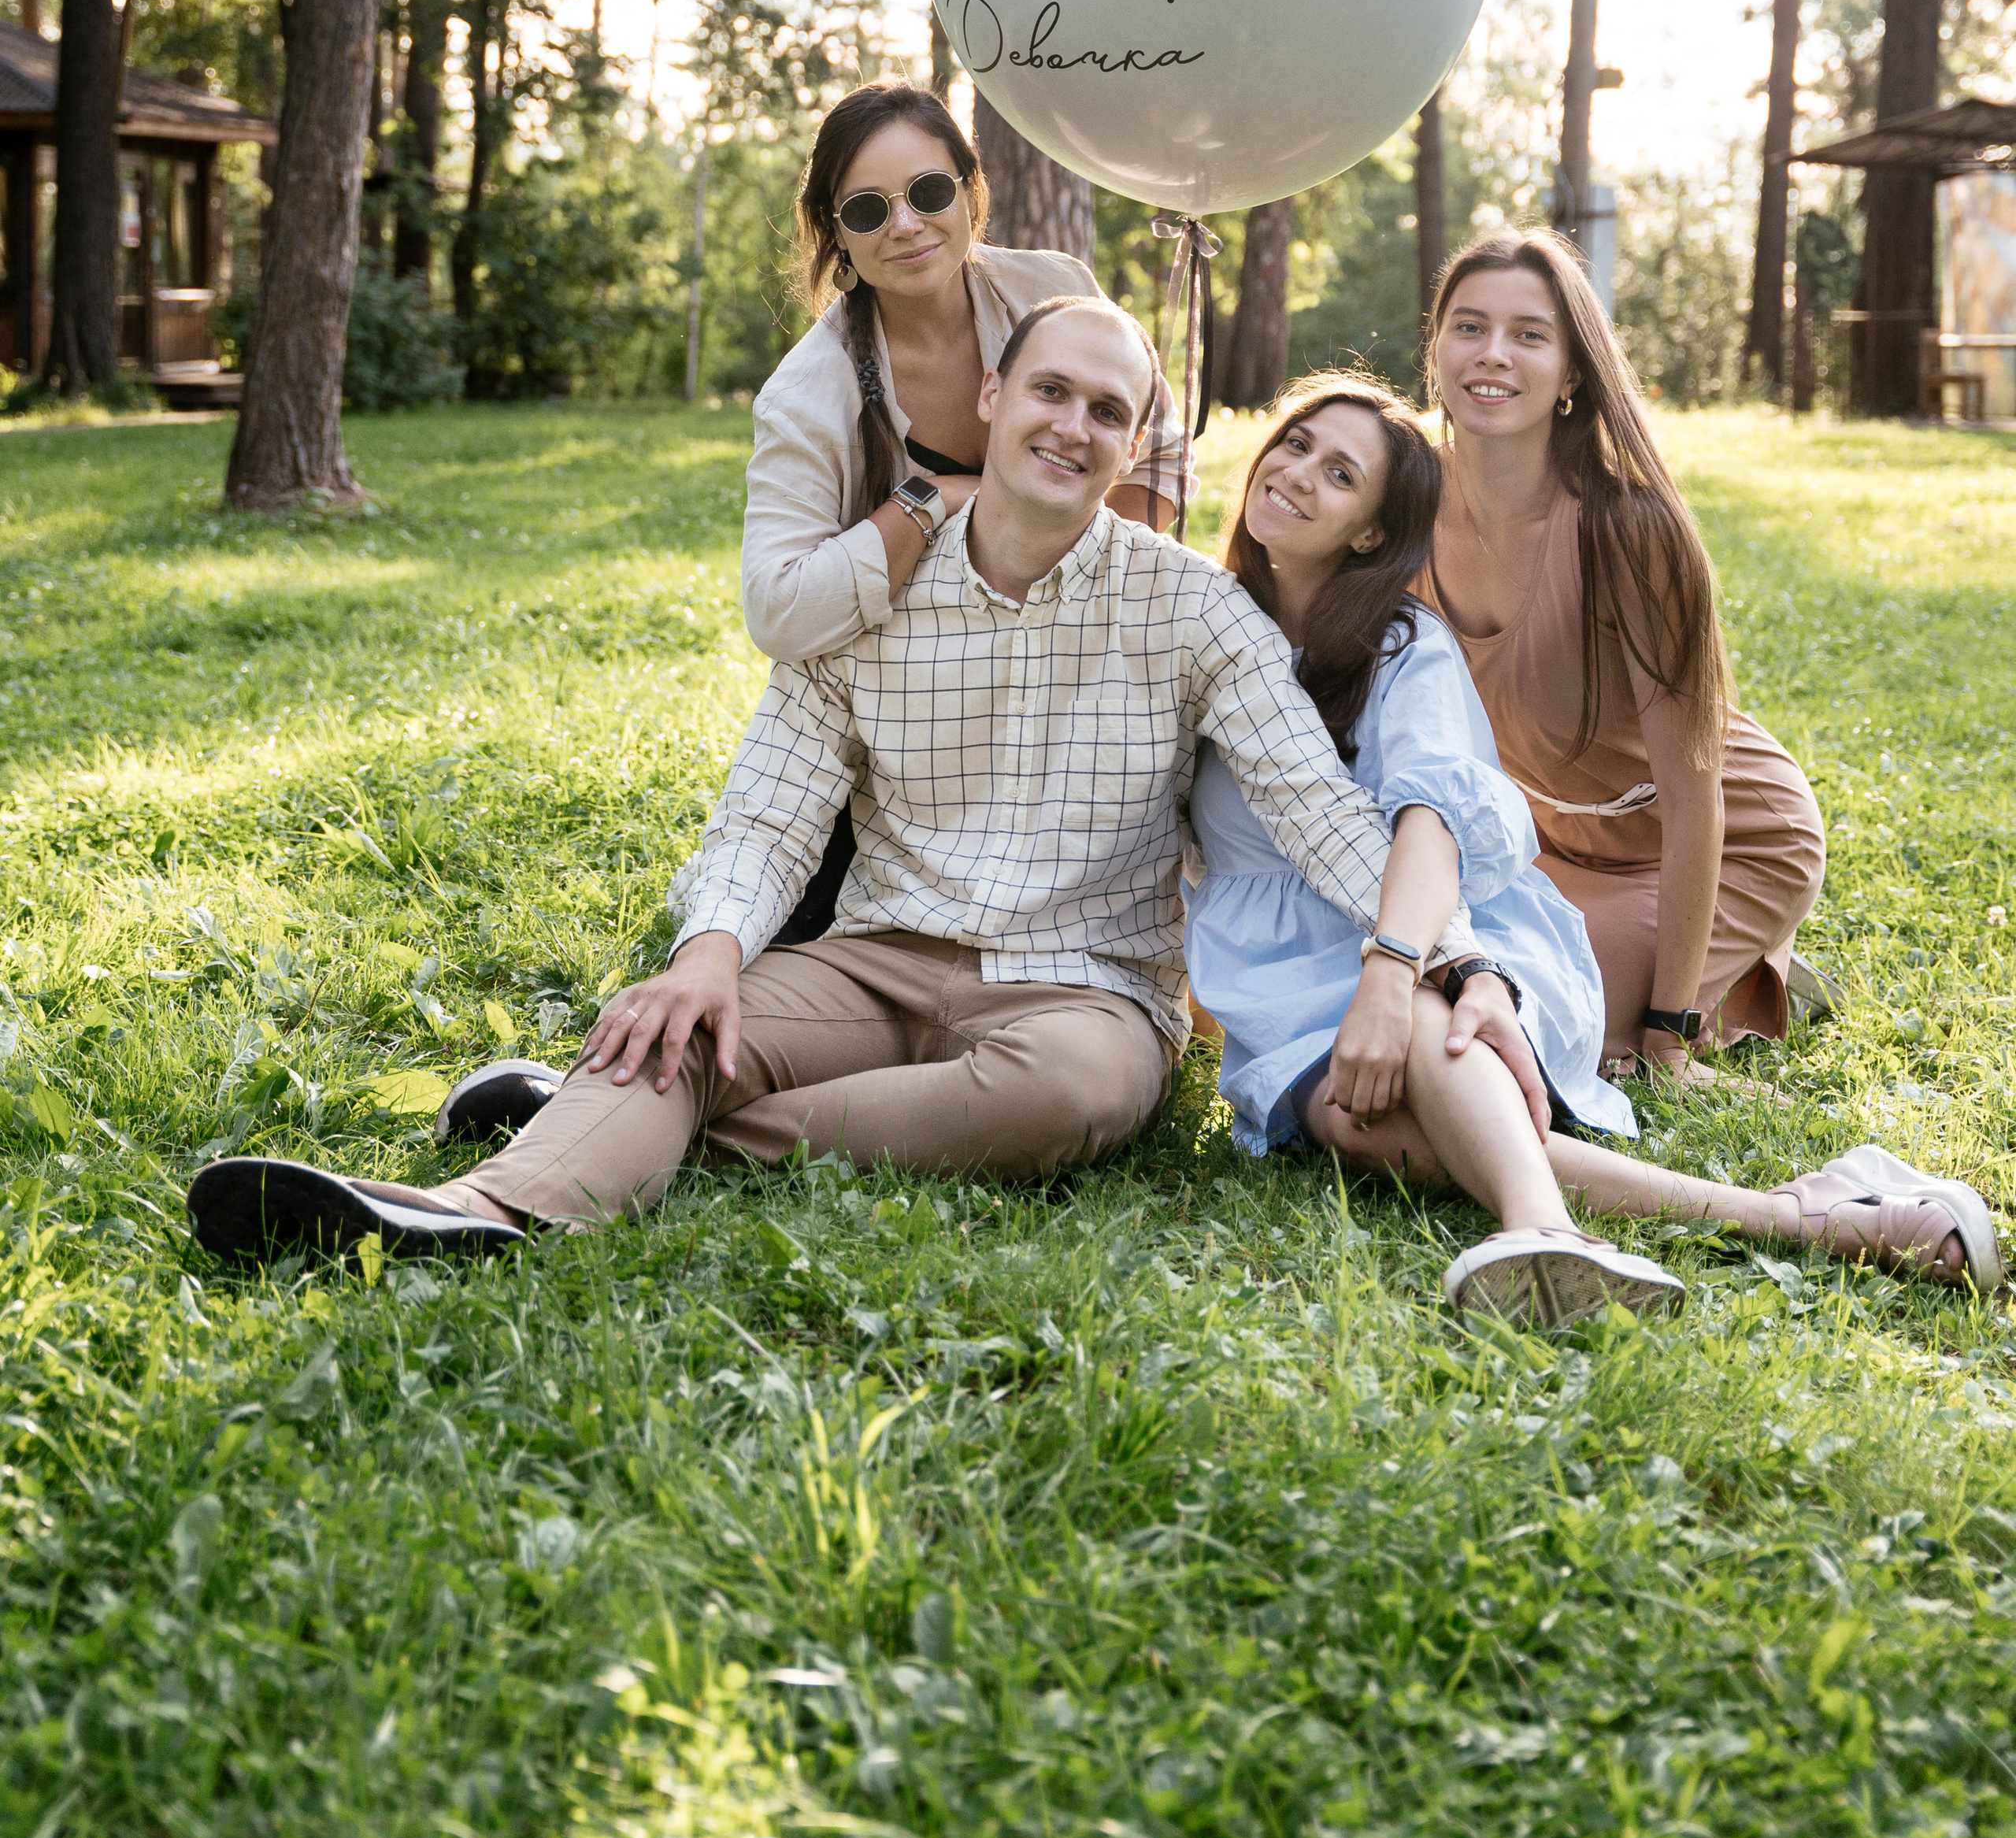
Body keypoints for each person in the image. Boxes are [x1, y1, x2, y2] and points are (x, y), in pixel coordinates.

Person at [186, 297, 1526, 1270]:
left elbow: (1320, 812)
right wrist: (711, 953)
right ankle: (476, 1214)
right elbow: (771, 805)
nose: (1072, 425)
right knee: (682, 1022)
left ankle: (625, 1132)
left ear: (1134, 450)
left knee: (1055, 1095)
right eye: (1050, 392)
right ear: (994, 401)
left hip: (1086, 995)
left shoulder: (1191, 610)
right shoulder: (868, 591)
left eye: (1107, 412)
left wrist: (1462, 971)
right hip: (875, 958)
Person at [1184, 374, 2000, 1306]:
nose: (1295, 474)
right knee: (1359, 1127)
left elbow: (1432, 823)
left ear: (1371, 531)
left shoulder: (1401, 645)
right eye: (1292, 445)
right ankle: (1808, 1213)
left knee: (1425, 1037)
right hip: (1285, 973)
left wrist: (1393, 969)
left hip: (1423, 931)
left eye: (1338, 473)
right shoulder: (1200, 622)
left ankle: (1542, 1230)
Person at [742, 77, 1185, 950]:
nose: (905, 225)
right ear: (835, 234)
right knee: (818, 932)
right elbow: (779, 607)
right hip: (917, 696)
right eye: (866, 210)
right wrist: (932, 499)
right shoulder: (806, 394)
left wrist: (1088, 578)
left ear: (970, 193)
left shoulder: (1052, 290)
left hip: (1078, 654)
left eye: (929, 192)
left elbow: (1157, 442)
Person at [1423, 228, 1825, 1075]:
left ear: (1571, 373)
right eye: (1468, 326)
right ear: (1437, 347)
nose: (1492, 354)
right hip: (1551, 845)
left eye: (1528, 335)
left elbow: (1694, 800)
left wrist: (1667, 1031)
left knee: (1532, 1035)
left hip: (1726, 837)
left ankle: (1728, 973)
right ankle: (1748, 970)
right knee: (1429, 985)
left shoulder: (1626, 530)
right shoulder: (1408, 495)